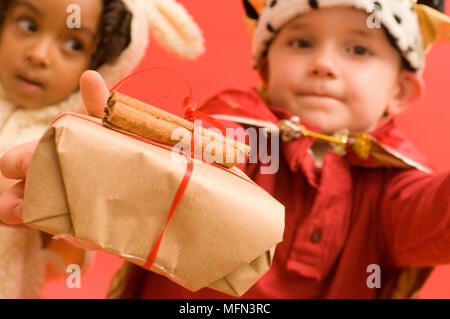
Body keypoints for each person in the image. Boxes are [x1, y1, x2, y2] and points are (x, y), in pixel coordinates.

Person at [0, 0, 449, 299]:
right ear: (265, 64)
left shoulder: (396, 190)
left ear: (401, 91)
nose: (324, 64)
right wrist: (111, 176)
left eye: (358, 49)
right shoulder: (232, 130)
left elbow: (437, 214)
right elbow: (199, 152)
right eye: (301, 42)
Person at [0, 0, 204, 298]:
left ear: (103, 62)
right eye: (28, 25)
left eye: (73, 43)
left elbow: (69, 249)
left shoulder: (70, 141)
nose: (39, 55)